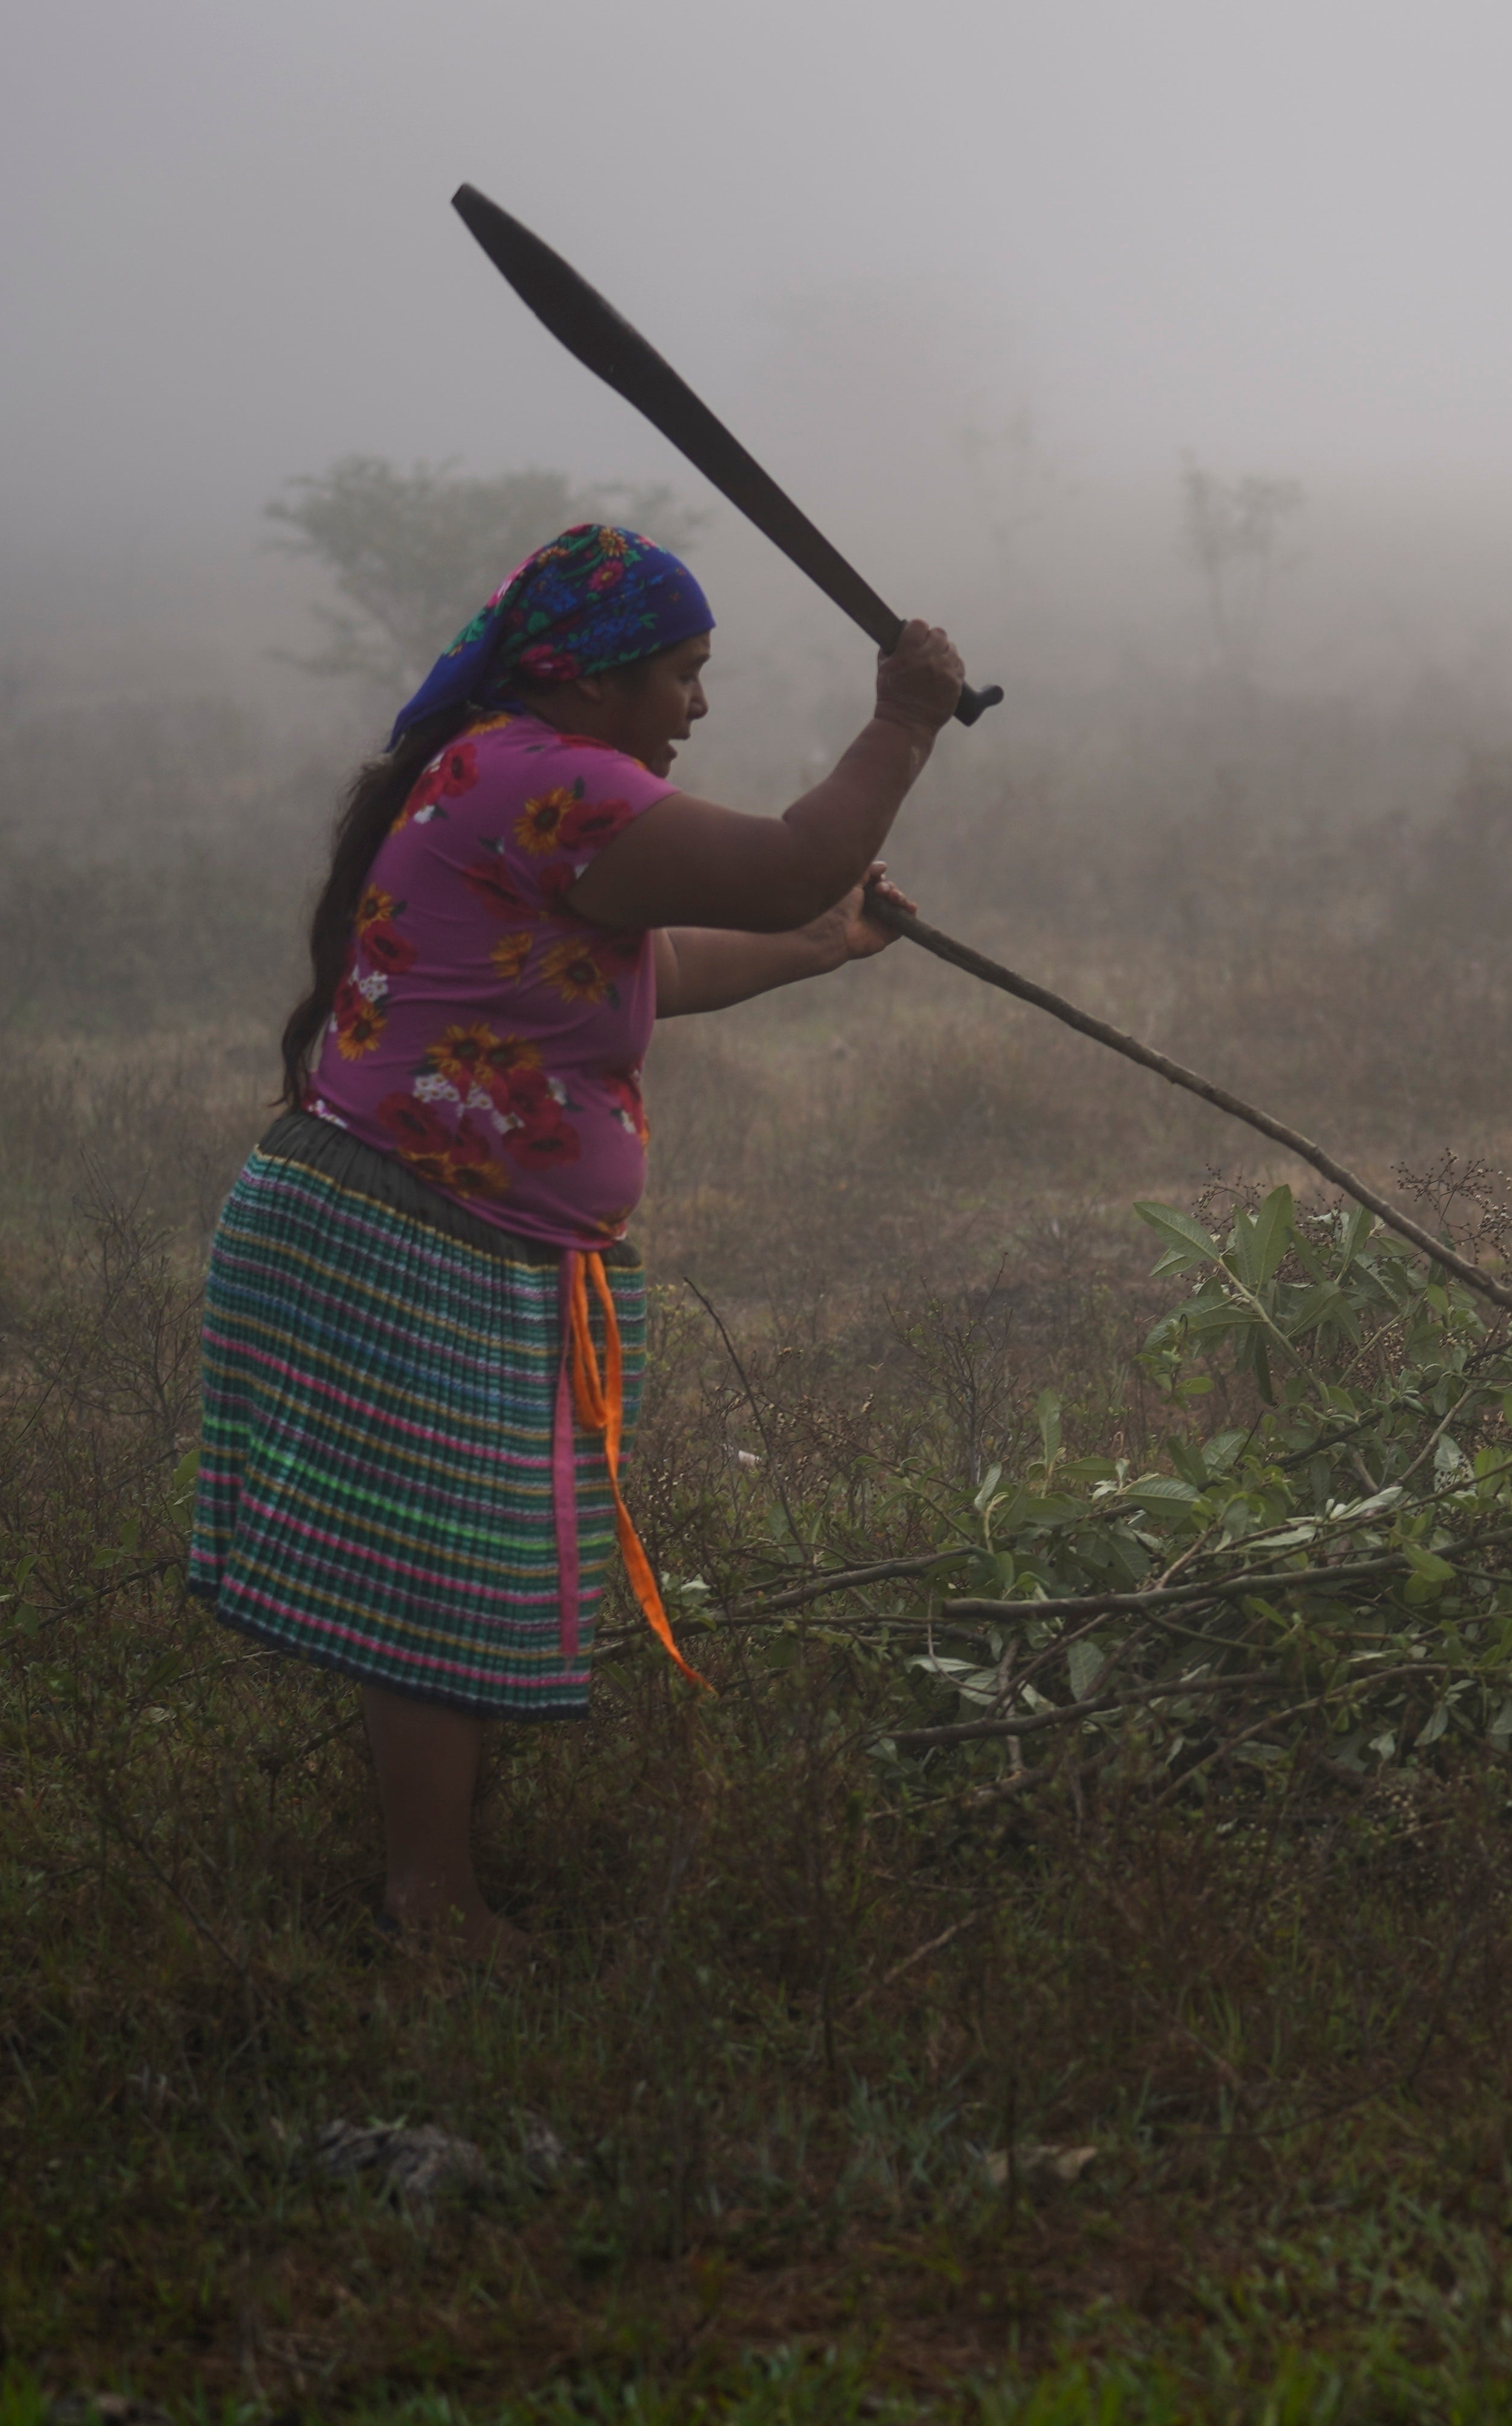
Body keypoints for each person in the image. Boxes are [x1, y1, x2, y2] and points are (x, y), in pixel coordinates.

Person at [191, 521, 967, 1959]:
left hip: (442, 1237)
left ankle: (442, 1875)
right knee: (440, 1576)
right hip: (403, 1235)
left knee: (452, 1568)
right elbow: (795, 857)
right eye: (683, 674)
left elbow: (651, 962)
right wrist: (905, 721)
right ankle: (433, 1901)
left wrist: (821, 948)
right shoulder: (549, 784)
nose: (698, 706)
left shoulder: (516, 781)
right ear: (600, 679)